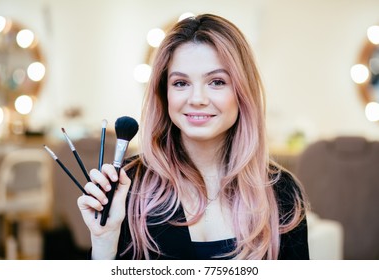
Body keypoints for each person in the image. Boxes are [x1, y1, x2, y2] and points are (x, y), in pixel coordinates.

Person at [77, 13, 310, 260]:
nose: (197, 99)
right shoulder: (128, 187)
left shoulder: (282, 193)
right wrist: (104, 243)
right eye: (180, 83)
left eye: (217, 81)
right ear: (163, 93)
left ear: (242, 91)